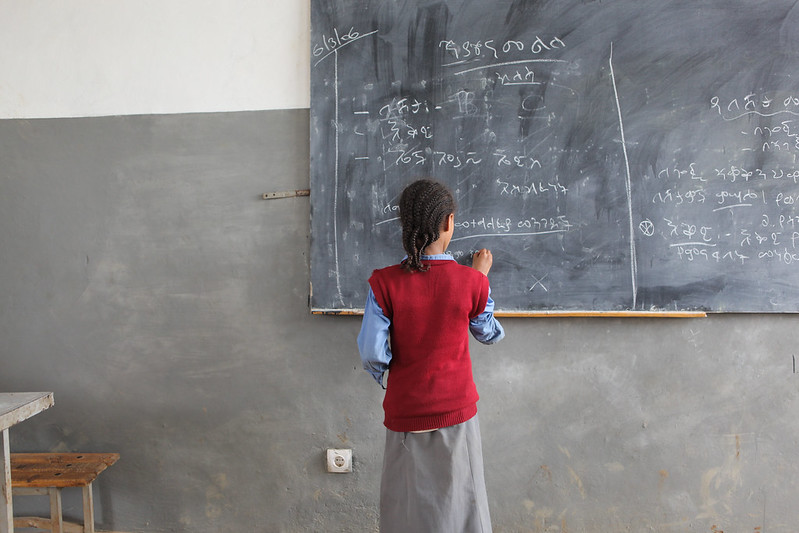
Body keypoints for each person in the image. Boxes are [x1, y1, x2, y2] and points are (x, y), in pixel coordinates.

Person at [357, 178, 505, 533]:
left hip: (406, 411)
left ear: (405, 226)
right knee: (463, 499)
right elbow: (489, 333)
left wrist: (389, 378)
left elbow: (372, 352)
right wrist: (479, 278)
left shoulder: (384, 282)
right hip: (456, 409)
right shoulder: (471, 283)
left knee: (407, 504)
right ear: (449, 222)